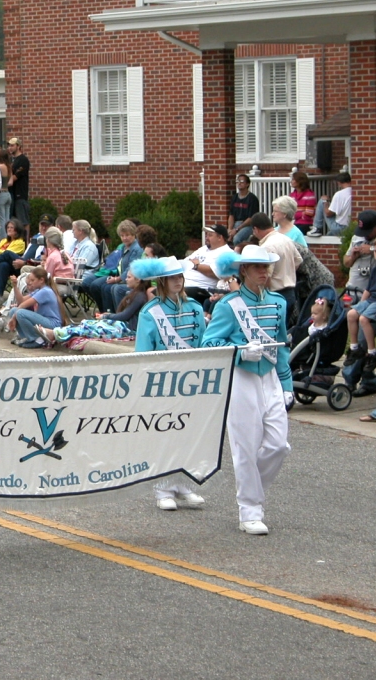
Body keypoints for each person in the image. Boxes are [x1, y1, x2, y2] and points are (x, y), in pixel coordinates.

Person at [203, 246, 292, 535]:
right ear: (243, 271)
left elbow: (280, 348)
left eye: (266, 267)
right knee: (245, 447)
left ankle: (254, 492)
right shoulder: (228, 306)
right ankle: (249, 509)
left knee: (278, 445)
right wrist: (241, 352)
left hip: (270, 379)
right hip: (241, 379)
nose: (263, 272)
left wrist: (287, 384)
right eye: (257, 267)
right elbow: (208, 345)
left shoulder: (279, 303)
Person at [131, 256, 207, 511]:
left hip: (191, 381)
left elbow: (203, 346)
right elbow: (143, 353)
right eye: (173, 277)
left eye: (180, 276)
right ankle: (162, 488)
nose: (178, 280)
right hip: (162, 382)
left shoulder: (195, 308)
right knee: (164, 435)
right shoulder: (150, 313)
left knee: (187, 434)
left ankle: (182, 484)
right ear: (162, 281)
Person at [251, 212, 301, 326]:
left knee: (273, 332)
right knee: (284, 330)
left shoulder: (267, 246)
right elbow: (298, 261)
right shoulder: (286, 239)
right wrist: (286, 273)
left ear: (256, 229)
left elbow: (266, 276)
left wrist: (263, 300)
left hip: (274, 295)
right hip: (291, 292)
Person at [80, 219, 142, 312]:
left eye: (127, 235)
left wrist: (117, 279)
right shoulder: (123, 246)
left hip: (126, 279)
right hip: (115, 274)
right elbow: (113, 261)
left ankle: (110, 314)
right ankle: (104, 312)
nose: (124, 238)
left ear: (134, 234)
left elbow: (131, 268)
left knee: (104, 287)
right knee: (90, 283)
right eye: (122, 235)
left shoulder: (136, 249)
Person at [0, 266, 67, 349]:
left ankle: (36, 339)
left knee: (20, 313)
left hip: (52, 324)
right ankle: (25, 337)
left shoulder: (45, 291)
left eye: (33, 280)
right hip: (44, 320)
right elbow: (21, 301)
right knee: (14, 310)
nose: (30, 283)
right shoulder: (39, 290)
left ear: (41, 280)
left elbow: (23, 305)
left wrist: (13, 318)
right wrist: (15, 286)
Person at [183, 225, 232, 305]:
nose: (206, 237)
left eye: (210, 235)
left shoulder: (227, 253)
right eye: (206, 235)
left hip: (202, 290)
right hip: (183, 283)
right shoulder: (203, 249)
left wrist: (196, 266)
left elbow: (213, 272)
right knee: (158, 287)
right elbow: (185, 262)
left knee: (173, 293)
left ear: (220, 238)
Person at [309, 172, 352, 237]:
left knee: (322, 201)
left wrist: (326, 202)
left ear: (339, 182)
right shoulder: (355, 192)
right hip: (351, 227)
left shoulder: (339, 194)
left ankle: (316, 228)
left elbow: (328, 214)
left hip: (340, 228)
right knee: (329, 235)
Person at [6, 138, 30, 235]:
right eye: (9, 146)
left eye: (12, 145)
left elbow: (15, 177)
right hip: (12, 193)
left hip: (20, 194)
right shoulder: (12, 160)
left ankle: (27, 241)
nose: (10, 148)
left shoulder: (23, 160)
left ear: (18, 146)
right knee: (13, 221)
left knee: (23, 220)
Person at [228, 174, 259, 245]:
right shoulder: (234, 197)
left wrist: (236, 230)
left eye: (242, 181)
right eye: (237, 181)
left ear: (247, 184)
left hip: (248, 226)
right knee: (226, 237)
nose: (239, 183)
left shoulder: (252, 199)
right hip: (236, 224)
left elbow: (251, 219)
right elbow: (231, 215)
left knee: (236, 239)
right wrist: (229, 229)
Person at [289, 171, 316, 235]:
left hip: (306, 224)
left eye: (293, 179)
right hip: (293, 223)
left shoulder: (309, 195)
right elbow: (289, 212)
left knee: (293, 233)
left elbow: (308, 214)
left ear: (300, 181)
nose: (291, 181)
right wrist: (300, 214)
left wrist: (296, 215)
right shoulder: (291, 195)